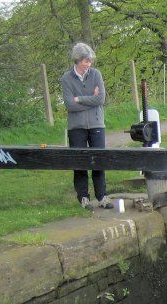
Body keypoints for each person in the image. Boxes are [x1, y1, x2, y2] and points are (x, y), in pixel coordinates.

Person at [61, 42, 113, 210]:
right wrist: (90, 98)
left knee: (99, 160)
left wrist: (80, 99)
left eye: (90, 61)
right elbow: (70, 105)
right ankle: (83, 197)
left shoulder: (96, 74)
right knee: (80, 161)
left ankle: (102, 196)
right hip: (76, 126)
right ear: (77, 60)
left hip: (97, 124)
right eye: (85, 61)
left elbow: (100, 99)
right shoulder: (66, 78)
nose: (88, 64)